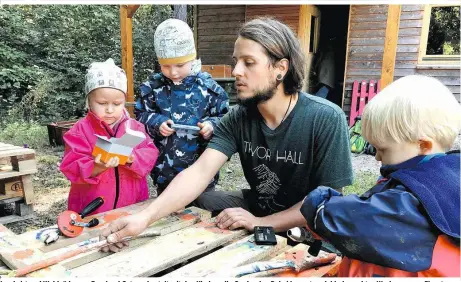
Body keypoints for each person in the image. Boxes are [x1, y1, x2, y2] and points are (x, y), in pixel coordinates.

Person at [100, 17, 353, 252]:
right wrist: (145, 217)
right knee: (197, 198)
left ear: (280, 68)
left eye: (249, 63)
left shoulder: (325, 117)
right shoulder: (239, 117)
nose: (236, 72)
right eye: (236, 62)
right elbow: (199, 173)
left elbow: (326, 200)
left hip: (307, 221)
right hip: (258, 205)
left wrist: (260, 223)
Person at [300, 75, 461, 277]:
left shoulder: (414, 202)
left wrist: (319, 205)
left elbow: (358, 223)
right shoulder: (443, 174)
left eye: (382, 150)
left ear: (423, 145)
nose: (376, 157)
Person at [135, 18, 229, 196]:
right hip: (165, 174)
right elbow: (139, 118)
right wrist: (157, 123)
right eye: (166, 66)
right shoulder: (153, 88)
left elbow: (226, 119)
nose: (173, 72)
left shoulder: (209, 89)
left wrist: (211, 125)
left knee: (200, 216)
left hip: (202, 175)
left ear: (192, 58)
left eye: (180, 65)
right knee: (167, 217)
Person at [60, 59, 159, 215]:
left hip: (132, 204)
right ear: (89, 102)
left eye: (117, 103)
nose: (110, 110)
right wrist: (97, 167)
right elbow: (71, 166)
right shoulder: (80, 131)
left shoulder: (134, 128)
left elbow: (151, 153)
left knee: (130, 235)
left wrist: (132, 158)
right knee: (96, 236)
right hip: (93, 207)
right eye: (102, 103)